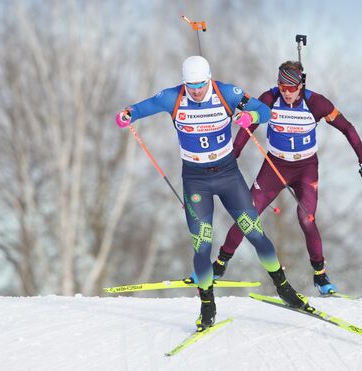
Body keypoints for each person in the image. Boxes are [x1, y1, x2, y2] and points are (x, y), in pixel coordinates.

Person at [115, 56, 311, 331]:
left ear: (209, 79)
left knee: (255, 233)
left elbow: (265, 112)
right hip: (195, 181)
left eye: (200, 85)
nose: (196, 91)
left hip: (228, 176)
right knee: (201, 244)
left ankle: (283, 286)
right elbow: (140, 108)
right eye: (191, 86)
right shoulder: (172, 97)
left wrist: (250, 116)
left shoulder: (226, 92)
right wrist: (126, 115)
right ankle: (207, 305)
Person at [211, 61, 362, 295]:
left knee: (306, 218)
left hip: (305, 167)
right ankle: (219, 264)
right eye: (282, 87)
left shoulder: (316, 103)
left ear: (301, 85)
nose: (287, 93)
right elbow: (247, 128)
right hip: (274, 165)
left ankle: (320, 276)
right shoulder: (269, 99)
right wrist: (231, 156)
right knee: (248, 215)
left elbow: (347, 128)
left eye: (291, 88)